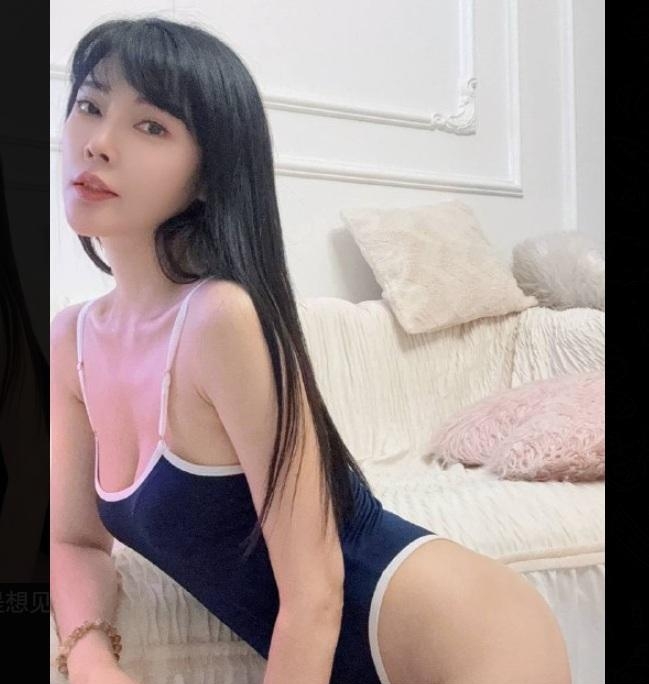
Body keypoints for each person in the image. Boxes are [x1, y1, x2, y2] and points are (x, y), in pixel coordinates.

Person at [50, 16, 572, 684]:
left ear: (207, 175)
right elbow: (73, 540)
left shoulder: (218, 319)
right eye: (90, 106)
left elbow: (315, 590)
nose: (98, 143)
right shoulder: (72, 341)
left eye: (150, 126)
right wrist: (91, 658)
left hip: (468, 643)